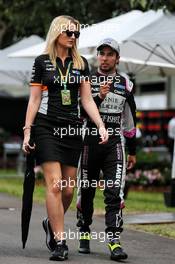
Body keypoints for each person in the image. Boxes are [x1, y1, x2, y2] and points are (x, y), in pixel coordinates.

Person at [22, 15, 108, 261]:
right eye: (69, 32)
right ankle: (60, 242)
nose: (73, 37)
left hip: (72, 129)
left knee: (69, 190)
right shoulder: (41, 62)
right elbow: (35, 99)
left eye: (76, 34)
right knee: (55, 184)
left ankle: (51, 223)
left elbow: (87, 99)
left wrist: (100, 124)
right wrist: (28, 130)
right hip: (46, 127)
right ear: (57, 33)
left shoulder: (81, 64)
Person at [76, 38, 137, 261]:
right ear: (97, 56)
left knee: (114, 193)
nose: (105, 58)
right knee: (87, 191)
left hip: (115, 144)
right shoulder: (86, 80)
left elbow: (130, 121)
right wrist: (98, 96)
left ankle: (114, 241)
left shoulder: (126, 84)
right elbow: (79, 114)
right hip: (89, 141)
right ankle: (83, 232)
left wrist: (133, 150)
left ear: (117, 59)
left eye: (110, 54)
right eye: (102, 53)